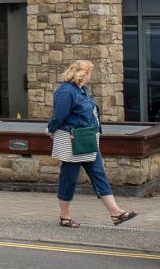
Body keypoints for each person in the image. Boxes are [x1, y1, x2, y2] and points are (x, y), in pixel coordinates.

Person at [48, 59, 137, 228]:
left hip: (87, 139)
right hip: (73, 140)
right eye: (90, 73)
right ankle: (64, 216)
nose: (91, 76)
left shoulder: (82, 90)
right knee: (69, 178)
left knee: (99, 174)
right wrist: (50, 130)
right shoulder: (66, 92)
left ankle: (115, 212)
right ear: (83, 74)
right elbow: (59, 116)